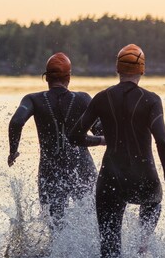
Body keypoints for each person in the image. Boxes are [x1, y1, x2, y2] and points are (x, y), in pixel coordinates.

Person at [69, 43, 165, 258]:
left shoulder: (101, 98)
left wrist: (100, 140)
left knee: (109, 251)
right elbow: (163, 141)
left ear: (117, 69)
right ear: (142, 70)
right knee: (152, 205)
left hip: (111, 180)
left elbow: (74, 136)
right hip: (145, 179)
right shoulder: (151, 100)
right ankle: (142, 248)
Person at [8, 52, 105, 230]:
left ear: (46, 78)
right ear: (68, 77)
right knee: (93, 218)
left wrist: (13, 151)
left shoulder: (33, 99)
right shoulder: (83, 98)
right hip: (82, 167)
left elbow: (16, 122)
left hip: (51, 169)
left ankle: (58, 257)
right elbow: (101, 131)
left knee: (55, 226)